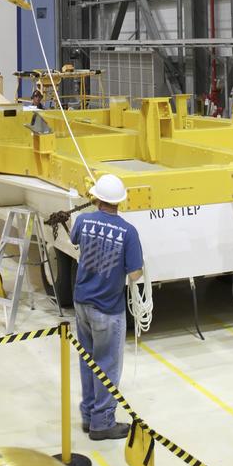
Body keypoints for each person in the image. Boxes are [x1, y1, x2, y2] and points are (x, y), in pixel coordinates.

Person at [70, 173, 143, 441]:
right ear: (120, 202)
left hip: (81, 303)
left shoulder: (83, 220)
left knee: (87, 359)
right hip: (108, 309)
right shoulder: (129, 232)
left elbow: (74, 239)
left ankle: (89, 415)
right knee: (107, 365)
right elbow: (135, 274)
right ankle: (103, 422)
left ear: (96, 197)